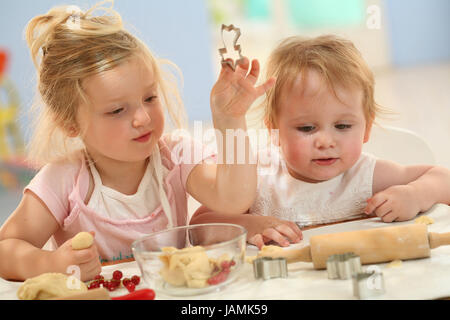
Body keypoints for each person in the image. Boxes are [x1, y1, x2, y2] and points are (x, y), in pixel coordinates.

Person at [0, 2, 274, 281]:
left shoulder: (175, 155)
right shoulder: (63, 180)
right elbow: (6, 249)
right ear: (69, 123)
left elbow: (234, 199)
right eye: (118, 110)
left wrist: (230, 121)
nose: (143, 118)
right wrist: (50, 263)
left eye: (150, 98)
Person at [191, 35, 450, 249]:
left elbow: (442, 179)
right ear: (274, 131)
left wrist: (413, 195)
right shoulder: (258, 178)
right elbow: (198, 226)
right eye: (306, 128)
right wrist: (247, 225)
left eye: (343, 126)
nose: (325, 141)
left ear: (366, 128)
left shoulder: (366, 176)